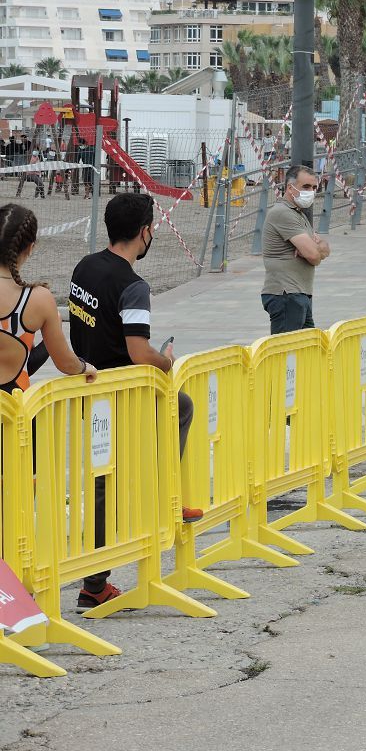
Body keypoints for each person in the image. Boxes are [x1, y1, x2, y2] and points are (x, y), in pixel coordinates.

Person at [69, 193, 201, 610]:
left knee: (102, 482)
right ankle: (165, 498)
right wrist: (167, 362)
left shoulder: (85, 266)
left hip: (88, 386)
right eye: (152, 229)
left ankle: (95, 583)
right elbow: (139, 351)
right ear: (144, 232)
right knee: (180, 406)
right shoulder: (133, 286)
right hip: (121, 390)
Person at [0, 203, 97, 394]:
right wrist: (86, 368)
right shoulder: (38, 299)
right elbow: (65, 362)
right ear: (30, 247)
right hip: (13, 413)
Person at [260, 165, 331, 334]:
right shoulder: (283, 213)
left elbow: (325, 249)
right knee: (284, 354)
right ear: (289, 188)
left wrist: (316, 249)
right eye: (305, 187)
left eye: (314, 187)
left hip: (299, 293)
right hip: (286, 294)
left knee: (304, 353)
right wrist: (315, 250)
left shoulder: (298, 214)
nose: (311, 192)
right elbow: (314, 255)